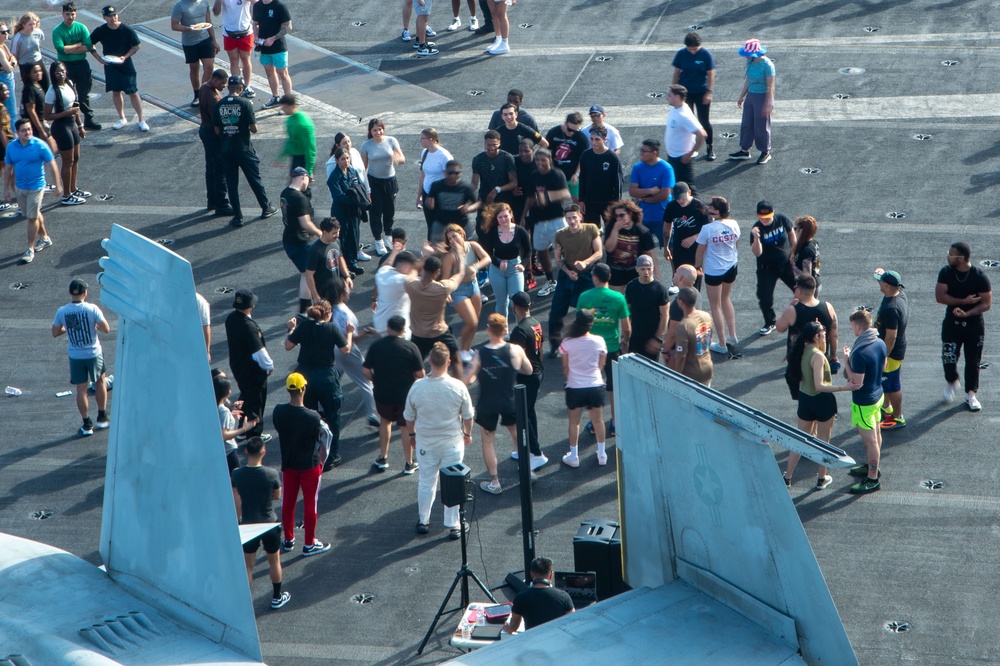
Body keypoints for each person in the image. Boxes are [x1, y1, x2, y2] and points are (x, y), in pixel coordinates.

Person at [405, 342, 475, 538]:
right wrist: (467, 434)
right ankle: (453, 525)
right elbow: (468, 416)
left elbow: (409, 417)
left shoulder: (417, 387)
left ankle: (424, 521)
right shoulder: (457, 386)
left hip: (426, 443)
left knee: (426, 482)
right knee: (453, 483)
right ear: (449, 362)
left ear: (429, 361)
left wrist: (412, 435)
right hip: (452, 443)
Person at [782, 321, 858, 489]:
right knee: (824, 441)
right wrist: (844, 388)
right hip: (821, 401)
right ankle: (822, 478)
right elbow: (819, 386)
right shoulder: (817, 355)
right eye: (823, 334)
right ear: (816, 336)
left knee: (799, 440)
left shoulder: (802, 350)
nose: (826, 336)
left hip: (805, 400)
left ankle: (787, 477)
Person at [465, 314, 532, 495]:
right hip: (509, 400)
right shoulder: (515, 350)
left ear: (487, 330)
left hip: (487, 403)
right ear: (504, 330)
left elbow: (468, 380)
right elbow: (529, 369)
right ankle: (527, 472)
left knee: (488, 441)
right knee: (518, 435)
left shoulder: (480, 354)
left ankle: (495, 482)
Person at [285, 299, 354, 470]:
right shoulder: (331, 328)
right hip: (326, 376)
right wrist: (350, 333)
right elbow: (346, 350)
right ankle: (332, 456)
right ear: (329, 314)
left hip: (305, 375)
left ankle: (310, 451)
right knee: (332, 415)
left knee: (308, 414)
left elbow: (288, 346)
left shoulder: (304, 326)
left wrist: (291, 328)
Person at [273, 372, 333, 555]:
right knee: (310, 504)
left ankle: (288, 539)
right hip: (310, 466)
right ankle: (309, 544)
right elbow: (323, 439)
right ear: (303, 389)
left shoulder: (278, 411)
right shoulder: (313, 417)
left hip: (289, 464)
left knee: (288, 503)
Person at [231, 436, 290, 610]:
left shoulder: (237, 474)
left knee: (248, 566)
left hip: (248, 524)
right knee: (274, 561)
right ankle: (277, 596)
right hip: (269, 523)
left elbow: (237, 498)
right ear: (263, 452)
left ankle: (245, 602)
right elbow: (277, 496)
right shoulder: (271, 473)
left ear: (246, 451)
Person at [213, 75, 278, 228]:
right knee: (254, 180)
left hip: (227, 149)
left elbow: (216, 130)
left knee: (231, 184)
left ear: (228, 87)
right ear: (241, 88)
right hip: (243, 148)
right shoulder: (245, 103)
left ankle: (238, 216)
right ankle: (265, 207)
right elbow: (253, 129)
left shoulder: (219, 105)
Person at [364, 314, 425, 473]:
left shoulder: (377, 346)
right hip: (405, 395)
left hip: (383, 393)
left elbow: (365, 370)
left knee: (385, 421)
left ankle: (383, 458)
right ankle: (409, 462)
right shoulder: (410, 347)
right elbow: (420, 374)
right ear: (403, 330)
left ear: (388, 328)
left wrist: (375, 381)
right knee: (405, 426)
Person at [52, 278, 111, 436]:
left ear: (70, 293)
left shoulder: (63, 311)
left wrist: (67, 329)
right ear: (85, 292)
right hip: (93, 353)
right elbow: (106, 329)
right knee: (100, 382)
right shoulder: (92, 309)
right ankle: (102, 416)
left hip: (76, 355)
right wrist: (95, 325)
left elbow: (55, 332)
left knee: (81, 390)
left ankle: (87, 424)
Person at [937, 242, 992, 411]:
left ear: (961, 258)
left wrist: (967, 313)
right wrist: (963, 302)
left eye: (951, 254)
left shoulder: (979, 276)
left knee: (973, 360)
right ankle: (952, 380)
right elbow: (940, 296)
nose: (948, 256)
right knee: (949, 356)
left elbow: (986, 304)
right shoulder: (946, 272)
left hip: (973, 325)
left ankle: (971, 394)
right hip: (952, 323)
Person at [577, 263, 630, 437]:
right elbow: (626, 327)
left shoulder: (584, 296)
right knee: (614, 386)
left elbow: (580, 323)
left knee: (594, 385)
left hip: (591, 349)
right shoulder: (618, 298)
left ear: (595, 277)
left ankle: (595, 422)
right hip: (612, 347)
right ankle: (615, 424)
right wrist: (625, 341)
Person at [548, 204, 603, 354]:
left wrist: (586, 262)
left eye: (574, 217)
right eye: (568, 219)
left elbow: (599, 252)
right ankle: (554, 343)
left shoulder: (591, 228)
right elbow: (558, 259)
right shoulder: (560, 234)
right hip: (568, 273)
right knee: (556, 309)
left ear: (580, 216)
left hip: (588, 272)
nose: (571, 221)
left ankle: (589, 341)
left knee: (588, 310)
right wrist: (568, 271)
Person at [5, 119, 61, 265]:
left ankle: (30, 248)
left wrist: (58, 184)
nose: (27, 132)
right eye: (24, 130)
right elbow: (8, 168)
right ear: (17, 133)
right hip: (20, 187)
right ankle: (45, 238)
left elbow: (52, 164)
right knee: (33, 214)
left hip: (36, 187)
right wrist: (5, 189)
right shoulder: (12, 147)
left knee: (31, 218)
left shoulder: (40, 146)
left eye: (29, 129)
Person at [843, 309, 887, 494]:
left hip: (864, 402)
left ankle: (872, 478)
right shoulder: (879, 342)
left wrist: (846, 360)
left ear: (859, 326)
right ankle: (872, 466)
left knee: (871, 442)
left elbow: (856, 382)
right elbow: (883, 366)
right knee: (876, 435)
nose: (851, 328)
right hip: (878, 395)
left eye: (852, 324)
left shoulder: (859, 352)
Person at [327, 281, 379, 429]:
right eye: (346, 288)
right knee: (367, 381)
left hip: (333, 350)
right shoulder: (343, 313)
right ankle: (373, 415)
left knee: (336, 374)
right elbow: (350, 339)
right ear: (341, 293)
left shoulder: (331, 309)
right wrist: (367, 332)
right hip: (347, 350)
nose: (350, 289)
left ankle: (322, 406)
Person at [559, 310, 608, 467]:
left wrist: (572, 379)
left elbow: (565, 368)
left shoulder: (566, 343)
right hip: (595, 385)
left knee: (574, 423)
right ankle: (602, 454)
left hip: (575, 387)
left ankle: (573, 457)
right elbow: (602, 365)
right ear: (591, 324)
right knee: (598, 420)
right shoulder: (599, 341)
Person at [405, 254, 466, 376]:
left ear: (424, 268)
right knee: (456, 361)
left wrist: (423, 256)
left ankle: (413, 392)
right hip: (440, 333)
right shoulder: (443, 288)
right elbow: (460, 274)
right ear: (438, 272)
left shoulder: (410, 285)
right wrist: (460, 253)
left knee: (413, 368)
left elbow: (412, 271)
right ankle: (459, 389)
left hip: (419, 334)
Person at [89, 6, 148, 132]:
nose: (113, 18)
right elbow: (90, 43)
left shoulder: (126, 29)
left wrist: (125, 57)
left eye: (114, 15)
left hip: (126, 65)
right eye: (109, 16)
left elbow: (136, 46)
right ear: (104, 17)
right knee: (116, 92)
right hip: (110, 65)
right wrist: (99, 58)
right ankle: (122, 118)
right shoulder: (101, 30)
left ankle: (141, 119)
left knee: (133, 92)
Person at [695, 196, 741, 357]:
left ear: (717, 211)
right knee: (726, 298)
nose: (708, 209)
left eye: (711, 207)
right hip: (731, 266)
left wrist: (697, 266)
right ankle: (732, 335)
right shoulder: (734, 224)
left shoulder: (707, 229)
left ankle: (722, 343)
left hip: (714, 270)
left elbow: (700, 251)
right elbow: (736, 243)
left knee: (715, 306)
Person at [225, 289, 273, 440]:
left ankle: (242, 429)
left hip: (239, 366)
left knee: (245, 395)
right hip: (253, 370)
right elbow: (259, 351)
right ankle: (254, 434)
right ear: (250, 306)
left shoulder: (231, 319)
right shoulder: (248, 326)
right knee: (256, 401)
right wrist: (269, 365)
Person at [509, 291, 548, 468]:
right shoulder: (535, 323)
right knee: (529, 412)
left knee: (522, 414)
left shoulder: (519, 330)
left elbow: (516, 358)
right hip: (537, 372)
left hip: (527, 377)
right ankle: (531, 450)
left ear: (514, 307)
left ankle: (536, 453)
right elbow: (540, 349)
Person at [523, 149, 570, 295]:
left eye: (543, 160)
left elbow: (565, 194)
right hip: (539, 221)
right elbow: (530, 198)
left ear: (549, 160)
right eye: (537, 160)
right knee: (541, 250)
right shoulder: (533, 176)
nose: (540, 163)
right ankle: (551, 281)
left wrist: (546, 196)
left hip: (556, 219)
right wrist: (522, 217)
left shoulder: (557, 174)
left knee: (565, 250)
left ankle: (571, 277)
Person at [43, 61, 89, 207]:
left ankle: (73, 189)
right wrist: (65, 113)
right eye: (57, 72)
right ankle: (66, 195)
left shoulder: (68, 83)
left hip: (72, 124)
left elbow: (75, 107)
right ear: (53, 74)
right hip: (61, 127)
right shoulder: (52, 91)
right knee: (67, 161)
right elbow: (47, 115)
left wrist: (80, 125)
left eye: (62, 71)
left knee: (76, 158)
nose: (61, 74)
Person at [442, 224, 490, 360]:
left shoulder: (472, 245)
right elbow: (445, 278)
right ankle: (462, 351)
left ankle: (467, 349)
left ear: (462, 234)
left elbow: (487, 258)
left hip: (474, 286)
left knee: (476, 320)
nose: (452, 240)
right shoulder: (450, 256)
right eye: (449, 238)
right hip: (458, 290)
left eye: (454, 236)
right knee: (471, 322)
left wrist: (475, 266)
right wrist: (447, 293)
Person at [775, 275, 841, 372]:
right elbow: (834, 335)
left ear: (799, 291)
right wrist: (833, 355)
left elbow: (779, 328)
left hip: (798, 362)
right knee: (821, 385)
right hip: (821, 359)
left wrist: (791, 304)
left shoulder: (793, 311)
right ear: (814, 288)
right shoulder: (828, 307)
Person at [479, 202, 530, 326]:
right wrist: (498, 263)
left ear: (511, 215)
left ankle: (522, 329)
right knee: (501, 302)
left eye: (505, 216)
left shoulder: (520, 231)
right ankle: (502, 331)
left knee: (517, 302)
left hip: (514, 267)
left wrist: (523, 264)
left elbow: (528, 250)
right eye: (500, 217)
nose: (503, 219)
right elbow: (488, 253)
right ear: (496, 218)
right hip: (497, 269)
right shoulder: (492, 232)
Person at [360, 118, 405, 256]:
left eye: (380, 129)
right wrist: (365, 186)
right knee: (375, 212)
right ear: (370, 131)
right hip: (374, 182)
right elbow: (364, 167)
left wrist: (397, 159)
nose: (378, 132)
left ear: (383, 129)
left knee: (389, 210)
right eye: (374, 130)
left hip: (390, 181)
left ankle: (388, 236)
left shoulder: (391, 141)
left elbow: (402, 158)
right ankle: (378, 240)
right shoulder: (366, 145)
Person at [750, 200, 796, 336]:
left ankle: (802, 317)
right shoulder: (756, 228)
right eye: (761, 217)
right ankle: (770, 322)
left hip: (785, 264)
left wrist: (794, 251)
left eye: (767, 216)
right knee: (765, 297)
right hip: (767, 269)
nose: (764, 220)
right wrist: (756, 238)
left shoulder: (781, 219)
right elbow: (757, 252)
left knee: (800, 288)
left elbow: (791, 233)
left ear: (773, 213)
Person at [52, 3, 100, 131]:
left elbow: (89, 46)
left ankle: (89, 119)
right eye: (67, 14)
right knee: (66, 94)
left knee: (84, 93)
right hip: (65, 66)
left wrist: (70, 49)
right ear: (63, 14)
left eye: (72, 14)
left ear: (76, 14)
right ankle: (67, 120)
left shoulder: (81, 27)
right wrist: (79, 45)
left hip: (81, 64)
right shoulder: (57, 30)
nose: (70, 17)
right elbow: (61, 50)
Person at [280, 167, 321, 313]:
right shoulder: (299, 198)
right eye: (308, 180)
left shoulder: (285, 193)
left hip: (288, 239)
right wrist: (320, 234)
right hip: (300, 241)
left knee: (305, 273)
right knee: (307, 274)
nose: (308, 185)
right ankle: (305, 309)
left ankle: (305, 308)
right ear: (303, 177)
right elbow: (306, 223)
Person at [672, 32, 716, 161]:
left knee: (704, 121)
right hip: (685, 94)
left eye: (694, 49)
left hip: (701, 92)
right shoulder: (681, 54)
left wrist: (709, 92)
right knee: (687, 121)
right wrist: (674, 89)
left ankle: (710, 147)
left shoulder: (706, 55)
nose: (692, 51)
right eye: (689, 49)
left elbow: (711, 74)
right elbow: (676, 72)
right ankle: (690, 148)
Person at [730, 38, 775, 164]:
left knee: (761, 125)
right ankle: (745, 149)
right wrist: (742, 96)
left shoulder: (767, 65)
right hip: (751, 95)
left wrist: (770, 102)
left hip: (762, 96)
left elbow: (771, 86)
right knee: (747, 122)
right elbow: (748, 80)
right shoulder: (750, 62)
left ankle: (765, 152)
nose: (746, 56)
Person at [874, 269, 908, 429]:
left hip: (891, 352)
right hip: (893, 350)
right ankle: (886, 408)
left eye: (880, 281)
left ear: (886, 285)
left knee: (893, 384)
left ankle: (897, 417)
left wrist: (884, 356)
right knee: (885, 382)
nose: (878, 283)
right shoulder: (899, 294)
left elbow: (891, 337)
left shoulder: (891, 308)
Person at [503, 556, 574, 632]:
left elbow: (513, 627)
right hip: (556, 641)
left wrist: (507, 628)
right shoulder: (564, 596)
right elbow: (573, 622)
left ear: (532, 575)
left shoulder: (521, 598)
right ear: (551, 575)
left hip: (533, 642)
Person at [171, 0, 220, 109]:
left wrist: (214, 41)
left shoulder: (204, 3)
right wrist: (189, 28)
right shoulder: (180, 6)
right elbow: (174, 25)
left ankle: (204, 93)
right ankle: (197, 94)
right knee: (194, 68)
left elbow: (208, 23)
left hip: (205, 39)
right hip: (189, 42)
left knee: (209, 67)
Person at [327, 147, 368, 273]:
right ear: (337, 160)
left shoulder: (352, 171)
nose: (346, 161)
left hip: (353, 212)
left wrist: (361, 199)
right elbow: (338, 197)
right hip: (341, 212)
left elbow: (360, 186)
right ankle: (342, 267)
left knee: (353, 236)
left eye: (347, 158)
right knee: (342, 239)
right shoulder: (334, 177)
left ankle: (352, 263)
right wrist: (355, 200)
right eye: (343, 159)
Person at [470, 130, 517, 237]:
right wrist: (463, 194)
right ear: (484, 143)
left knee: (505, 232)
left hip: (503, 201)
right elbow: (474, 183)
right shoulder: (478, 159)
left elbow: (514, 183)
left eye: (494, 145)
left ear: (499, 143)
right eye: (488, 144)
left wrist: (497, 189)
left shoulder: (507, 158)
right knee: (482, 231)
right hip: (485, 201)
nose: (491, 148)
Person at [662, 182, 708, 289]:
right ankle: (682, 300)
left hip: (696, 249)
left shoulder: (699, 206)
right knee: (681, 278)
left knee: (695, 277)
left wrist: (694, 237)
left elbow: (709, 229)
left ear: (689, 192)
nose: (680, 201)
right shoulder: (671, 206)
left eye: (682, 198)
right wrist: (666, 247)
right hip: (679, 247)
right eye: (678, 198)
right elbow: (666, 227)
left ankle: (695, 300)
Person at [604, 198, 658, 290]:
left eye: (622, 215)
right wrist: (615, 230)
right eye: (616, 216)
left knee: (634, 300)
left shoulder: (642, 231)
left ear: (630, 214)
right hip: (615, 270)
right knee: (618, 300)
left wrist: (656, 275)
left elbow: (651, 254)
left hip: (635, 271)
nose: (619, 218)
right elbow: (609, 249)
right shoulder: (611, 227)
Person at [628, 139, 674, 246]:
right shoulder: (637, 167)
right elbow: (632, 191)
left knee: (671, 249)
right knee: (642, 249)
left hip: (662, 217)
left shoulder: (666, 168)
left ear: (654, 153)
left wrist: (643, 198)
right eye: (641, 150)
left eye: (644, 151)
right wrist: (650, 191)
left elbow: (664, 195)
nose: (641, 153)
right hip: (642, 217)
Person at [625, 254, 669, 362]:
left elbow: (665, 316)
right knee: (633, 367)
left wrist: (658, 339)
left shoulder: (660, 289)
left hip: (652, 337)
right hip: (635, 336)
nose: (646, 272)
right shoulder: (631, 287)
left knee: (651, 370)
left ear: (653, 268)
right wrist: (625, 337)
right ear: (637, 269)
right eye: (643, 269)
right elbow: (627, 313)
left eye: (649, 269)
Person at [662, 85, 706, 190]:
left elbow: (702, 134)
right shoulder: (675, 108)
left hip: (681, 160)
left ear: (677, 97)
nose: (667, 97)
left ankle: (698, 206)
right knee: (677, 188)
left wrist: (690, 154)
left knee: (687, 189)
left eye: (669, 95)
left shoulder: (684, 115)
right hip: (673, 156)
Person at [198, 69, 230, 215]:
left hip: (204, 130)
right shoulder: (214, 100)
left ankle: (212, 201)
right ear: (216, 80)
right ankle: (221, 203)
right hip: (212, 134)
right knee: (219, 168)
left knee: (210, 167)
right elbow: (219, 124)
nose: (224, 86)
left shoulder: (204, 86)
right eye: (223, 83)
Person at [668, 286, 713, 386]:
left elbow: (681, 356)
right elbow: (709, 339)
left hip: (691, 374)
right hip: (707, 368)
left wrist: (678, 376)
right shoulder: (706, 316)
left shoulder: (683, 326)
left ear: (680, 302)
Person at [252, 0, 293, 109]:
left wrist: (273, 38)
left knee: (282, 73)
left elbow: (288, 26)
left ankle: (288, 102)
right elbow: (255, 23)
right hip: (263, 46)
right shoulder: (257, 6)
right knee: (269, 72)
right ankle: (275, 97)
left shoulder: (280, 6)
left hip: (278, 46)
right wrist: (255, 36)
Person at [213, 0, 258, 99]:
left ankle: (247, 86)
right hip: (229, 32)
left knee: (245, 59)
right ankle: (237, 86)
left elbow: (257, 4)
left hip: (245, 31)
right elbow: (215, 12)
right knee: (233, 60)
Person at [215, 372, 259, 471]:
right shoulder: (224, 411)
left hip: (219, 452)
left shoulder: (213, 406)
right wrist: (244, 428)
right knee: (235, 482)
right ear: (227, 392)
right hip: (228, 452)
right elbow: (224, 436)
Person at [577, 127, 622, 225]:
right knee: (591, 232)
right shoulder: (586, 155)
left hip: (607, 202)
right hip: (590, 202)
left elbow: (617, 181)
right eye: (592, 139)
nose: (594, 142)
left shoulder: (612, 157)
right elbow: (583, 178)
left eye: (597, 139)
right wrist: (581, 200)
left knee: (611, 229)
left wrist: (617, 203)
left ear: (604, 140)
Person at [426, 159, 478, 241]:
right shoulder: (436, 185)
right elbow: (429, 199)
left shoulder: (466, 187)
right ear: (445, 172)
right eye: (450, 173)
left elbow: (477, 203)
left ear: (460, 173)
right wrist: (429, 204)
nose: (453, 176)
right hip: (441, 222)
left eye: (456, 173)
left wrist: (468, 208)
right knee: (436, 247)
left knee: (470, 244)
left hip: (461, 223)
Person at [304, 217, 353, 305]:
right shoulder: (315, 250)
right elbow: (309, 275)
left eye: (338, 231)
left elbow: (340, 257)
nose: (337, 235)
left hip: (337, 291)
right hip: (323, 295)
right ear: (324, 232)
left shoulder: (336, 241)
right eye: (334, 233)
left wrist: (347, 276)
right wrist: (316, 296)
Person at [416, 128, 453, 240]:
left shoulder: (444, 156)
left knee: (441, 227)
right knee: (430, 225)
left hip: (440, 197)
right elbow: (423, 175)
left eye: (422, 138)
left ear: (430, 139)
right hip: (428, 195)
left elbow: (450, 179)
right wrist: (419, 196)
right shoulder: (425, 152)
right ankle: (432, 252)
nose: (420, 141)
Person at [373, 248, 417, 337]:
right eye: (410, 268)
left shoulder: (383, 272)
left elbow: (387, 263)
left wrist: (394, 251)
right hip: (398, 328)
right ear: (406, 267)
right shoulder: (400, 280)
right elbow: (411, 280)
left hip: (381, 324)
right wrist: (416, 269)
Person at [661, 264, 698, 365]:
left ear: (681, 278)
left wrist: (665, 350)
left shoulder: (679, 303)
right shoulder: (695, 294)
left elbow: (673, 332)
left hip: (679, 350)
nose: (674, 275)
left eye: (676, 273)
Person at [545, 113, 587, 200]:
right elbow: (547, 152)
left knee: (577, 199)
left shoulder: (581, 138)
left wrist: (577, 174)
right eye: (569, 129)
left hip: (572, 173)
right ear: (565, 123)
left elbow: (583, 159)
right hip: (556, 172)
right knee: (556, 200)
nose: (571, 133)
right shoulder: (553, 133)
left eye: (575, 131)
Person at [277, 95, 315, 176]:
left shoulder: (304, 124)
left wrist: (309, 170)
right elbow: (291, 140)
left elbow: (310, 148)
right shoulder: (290, 119)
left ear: (292, 106)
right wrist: (283, 155)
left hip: (303, 160)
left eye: (284, 107)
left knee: (299, 187)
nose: (282, 109)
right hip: (296, 158)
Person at [20, 63, 53, 154]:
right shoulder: (29, 88)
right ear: (28, 74)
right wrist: (41, 130)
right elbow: (31, 110)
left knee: (51, 151)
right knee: (49, 151)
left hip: (42, 122)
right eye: (35, 72)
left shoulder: (37, 85)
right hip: (35, 126)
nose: (39, 73)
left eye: (40, 70)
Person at [11, 13, 47, 90]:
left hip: (38, 61)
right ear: (23, 25)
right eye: (30, 25)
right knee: (31, 89)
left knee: (45, 85)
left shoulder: (38, 32)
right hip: (25, 64)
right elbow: (14, 55)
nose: (32, 27)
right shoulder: (17, 38)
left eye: (34, 24)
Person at [791, 215, 821, 289]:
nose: (795, 231)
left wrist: (794, 267)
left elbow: (807, 276)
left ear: (802, 231)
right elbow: (817, 264)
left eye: (796, 228)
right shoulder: (814, 243)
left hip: (808, 288)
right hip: (816, 282)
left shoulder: (807, 250)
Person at [0, 21, 18, 133]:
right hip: (4, 78)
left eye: (7, 31)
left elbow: (14, 59)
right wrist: (12, 63)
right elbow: (9, 68)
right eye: (3, 32)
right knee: (11, 111)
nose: (6, 34)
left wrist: (12, 62)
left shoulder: (4, 46)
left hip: (8, 78)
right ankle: (12, 136)